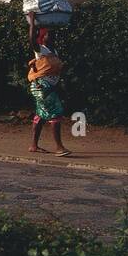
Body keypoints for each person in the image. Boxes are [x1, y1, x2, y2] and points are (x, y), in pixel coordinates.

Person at [26, 12, 71, 156]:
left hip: (47, 86)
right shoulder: (40, 50)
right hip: (42, 86)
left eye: (53, 35)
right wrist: (32, 21)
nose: (52, 37)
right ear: (42, 38)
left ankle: (34, 145)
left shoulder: (53, 51)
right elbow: (31, 38)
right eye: (49, 35)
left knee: (41, 114)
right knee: (55, 113)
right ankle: (59, 148)